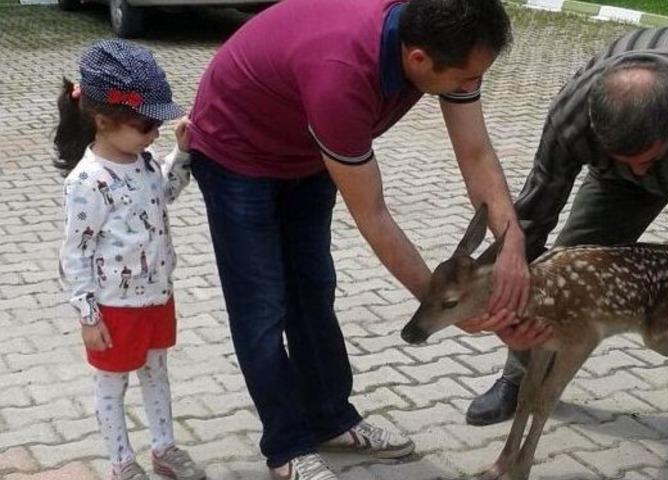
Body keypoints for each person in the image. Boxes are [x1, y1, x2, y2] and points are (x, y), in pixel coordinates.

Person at [186, 1, 536, 478]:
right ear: (417, 60)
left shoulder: (442, 45)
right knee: (262, 305)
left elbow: (476, 155)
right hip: (236, 151)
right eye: (464, 77)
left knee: (313, 287)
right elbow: (373, 216)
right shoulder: (341, 75)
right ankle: (286, 448)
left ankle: (331, 421)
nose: (470, 85)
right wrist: (447, 305)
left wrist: (513, 242)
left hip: (306, 148)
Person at [466, 27, 668, 480]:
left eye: (648, 160)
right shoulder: (574, 115)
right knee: (563, 268)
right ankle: (517, 379)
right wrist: (506, 300)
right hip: (622, 170)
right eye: (626, 158)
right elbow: (535, 214)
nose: (640, 170)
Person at [55, 40, 204, 480]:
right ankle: (122, 462)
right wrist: (86, 313)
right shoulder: (88, 181)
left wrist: (181, 153)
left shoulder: (144, 162)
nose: (153, 133)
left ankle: (164, 448)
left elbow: (167, 193)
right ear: (103, 122)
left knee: (157, 374)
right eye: (145, 125)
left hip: (157, 295)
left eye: (157, 124)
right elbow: (75, 253)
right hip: (114, 307)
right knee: (112, 386)